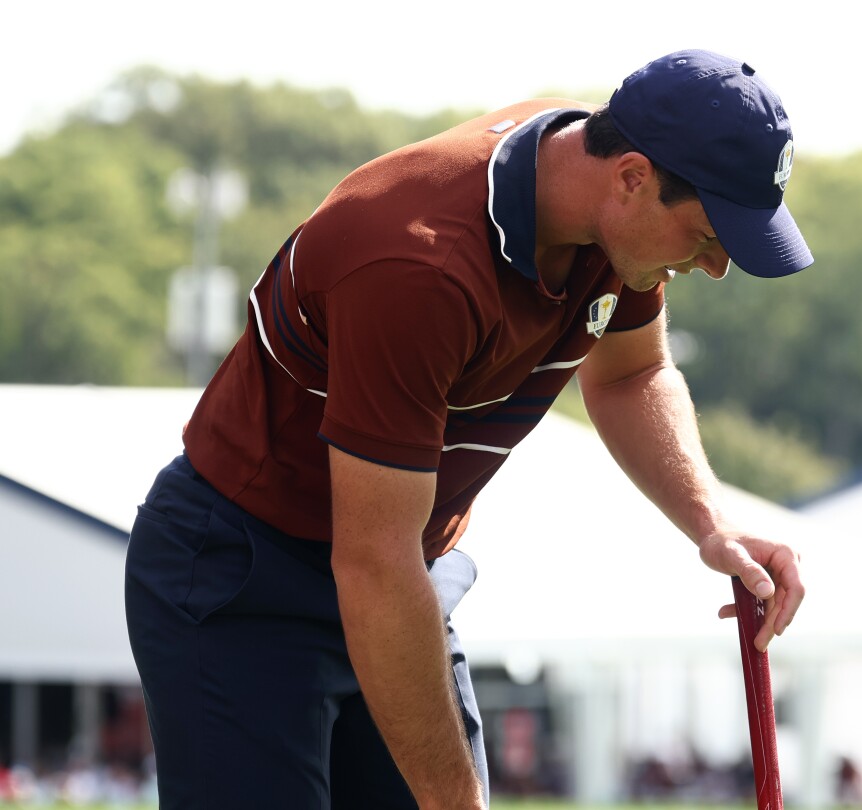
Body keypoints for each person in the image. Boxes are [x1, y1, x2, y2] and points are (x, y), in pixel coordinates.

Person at [124, 49, 812, 810]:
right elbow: (372, 562)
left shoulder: (605, 201)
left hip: (401, 569)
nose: (715, 267)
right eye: (711, 234)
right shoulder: (417, 266)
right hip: (245, 577)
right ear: (632, 178)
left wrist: (710, 525)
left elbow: (629, 374)